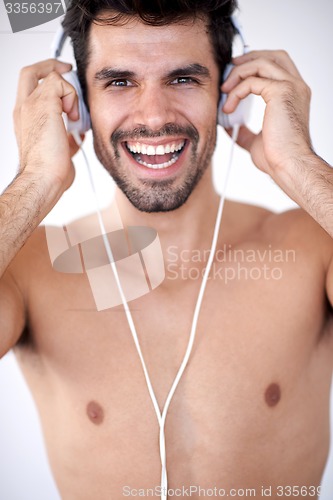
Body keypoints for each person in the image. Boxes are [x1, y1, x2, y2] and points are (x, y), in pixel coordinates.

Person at [1, 0, 332, 498]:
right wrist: (36, 180)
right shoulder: (29, 268)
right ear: (80, 107)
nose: (153, 117)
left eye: (183, 79)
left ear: (228, 96)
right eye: (119, 81)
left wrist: (300, 168)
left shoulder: (311, 248)